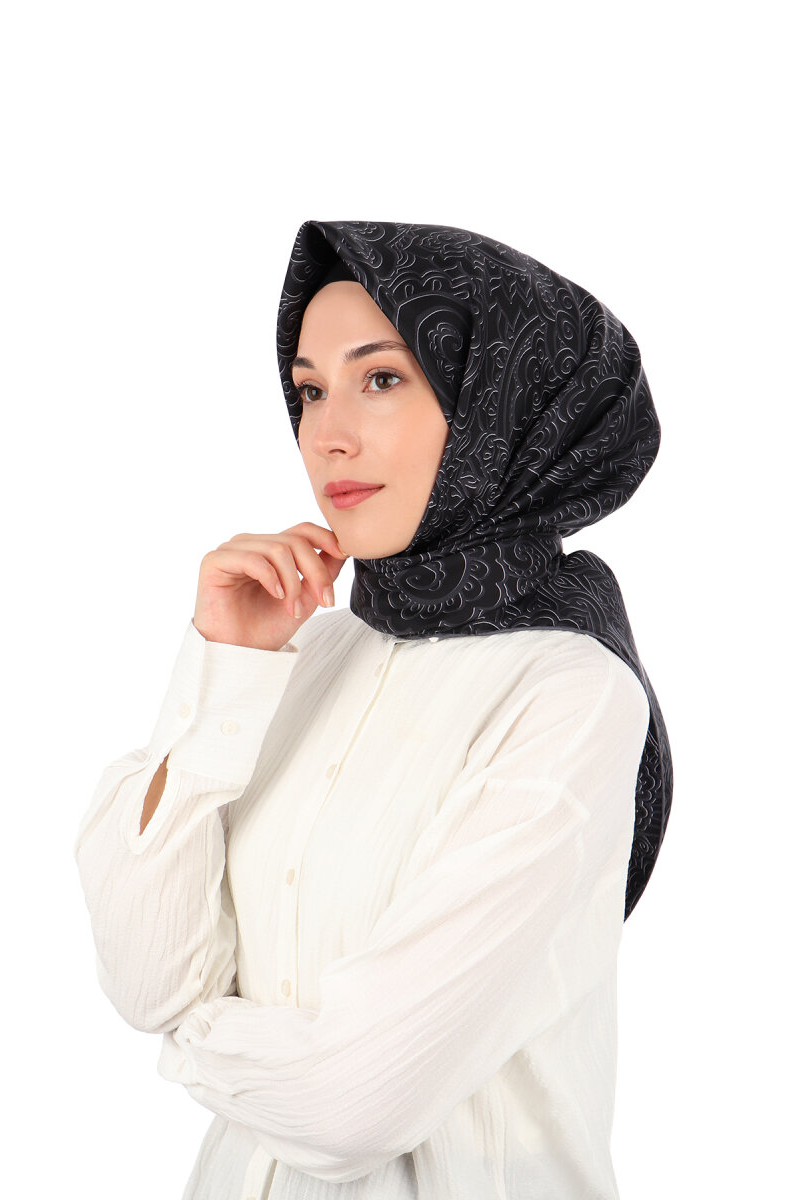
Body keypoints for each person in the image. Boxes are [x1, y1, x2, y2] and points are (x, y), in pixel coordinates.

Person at [74, 219, 672, 1200]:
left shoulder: (569, 693)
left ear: (504, 405)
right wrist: (222, 668)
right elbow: (145, 974)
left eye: (381, 378)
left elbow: (352, 1107)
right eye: (310, 390)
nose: (326, 435)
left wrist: (187, 1036)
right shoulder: (304, 653)